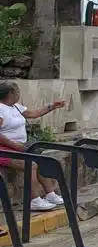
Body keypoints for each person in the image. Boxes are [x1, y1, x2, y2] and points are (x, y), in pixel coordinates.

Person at [0, 82, 66, 211]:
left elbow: (34, 113)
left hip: (19, 147)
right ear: (11, 93)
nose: (19, 94)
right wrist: (14, 145)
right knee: (31, 165)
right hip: (4, 150)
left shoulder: (16, 107)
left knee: (41, 161)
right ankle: (34, 200)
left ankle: (50, 194)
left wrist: (52, 106)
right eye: (18, 91)